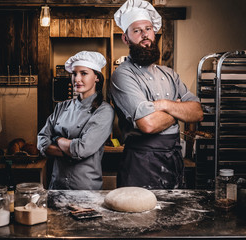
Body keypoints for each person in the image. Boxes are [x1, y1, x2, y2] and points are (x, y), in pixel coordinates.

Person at [110, 0, 204, 189]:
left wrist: (164, 105)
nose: (145, 35)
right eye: (137, 30)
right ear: (125, 39)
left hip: (173, 159)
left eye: (148, 29)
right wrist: (178, 110)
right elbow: (148, 124)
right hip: (141, 164)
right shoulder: (122, 75)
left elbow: (197, 113)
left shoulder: (169, 73)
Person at [37, 51, 114, 190]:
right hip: (56, 187)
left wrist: (57, 139)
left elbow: (82, 149)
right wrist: (70, 152)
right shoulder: (61, 106)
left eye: (83, 73)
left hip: (85, 190)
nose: (77, 79)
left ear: (96, 77)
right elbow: (41, 141)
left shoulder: (104, 111)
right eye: (74, 73)